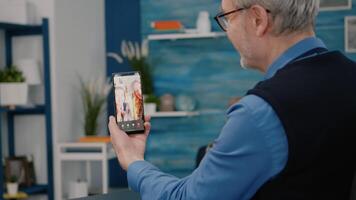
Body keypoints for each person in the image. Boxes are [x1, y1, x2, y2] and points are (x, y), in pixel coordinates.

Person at [108, 0, 356, 199]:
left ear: (258, 19)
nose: (227, 31)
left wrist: (133, 162)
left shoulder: (260, 113)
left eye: (228, 18)